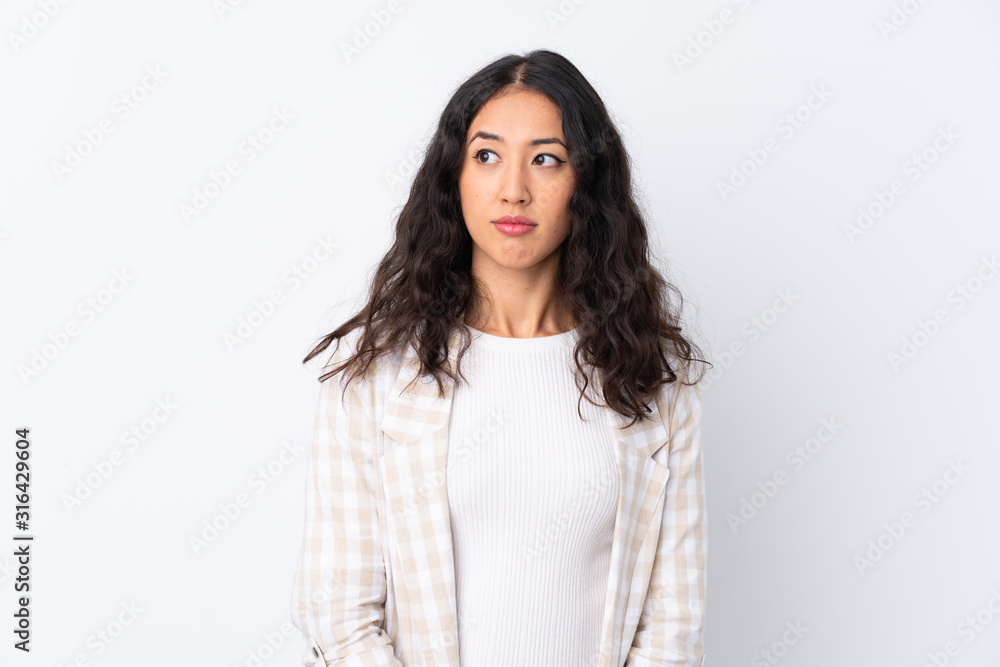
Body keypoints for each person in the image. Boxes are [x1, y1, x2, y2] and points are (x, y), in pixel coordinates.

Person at [290, 48, 709, 667]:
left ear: (586, 183)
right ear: (453, 177)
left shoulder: (654, 378)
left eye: (546, 159)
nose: (514, 191)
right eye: (487, 156)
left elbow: (672, 626)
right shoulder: (373, 374)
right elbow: (340, 618)